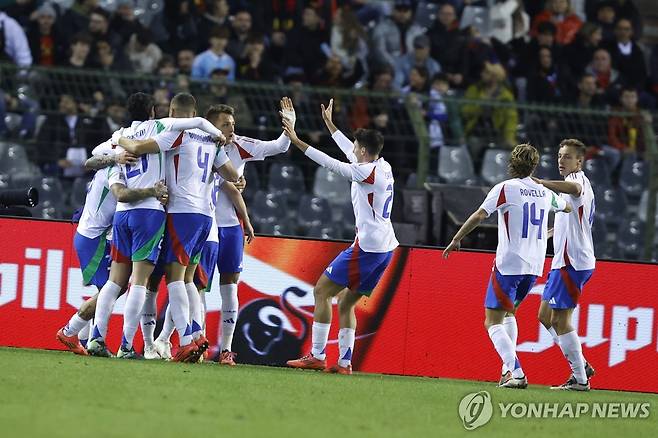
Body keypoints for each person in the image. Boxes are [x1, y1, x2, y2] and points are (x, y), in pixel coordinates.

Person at [85, 92, 236, 359]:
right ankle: (175, 339)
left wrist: (118, 141)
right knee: (173, 279)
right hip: (186, 215)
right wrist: (218, 137)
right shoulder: (172, 130)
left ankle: (98, 337)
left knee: (120, 281)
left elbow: (101, 155)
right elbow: (232, 175)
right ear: (154, 111)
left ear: (172, 111)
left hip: (129, 211)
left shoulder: (132, 134)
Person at [443, 144, 572, 389]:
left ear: (512, 163)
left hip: (509, 264)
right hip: (534, 266)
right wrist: (552, 231)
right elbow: (567, 207)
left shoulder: (505, 188)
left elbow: (481, 215)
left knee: (491, 322)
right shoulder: (545, 193)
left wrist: (456, 238)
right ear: (534, 166)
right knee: (509, 313)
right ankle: (507, 371)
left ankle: (517, 372)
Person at [285, 99, 398, 374]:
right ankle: (345, 363)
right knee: (346, 302)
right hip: (386, 247)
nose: (354, 149)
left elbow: (332, 164)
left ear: (363, 150)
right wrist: (331, 126)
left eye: (357, 147)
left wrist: (297, 141)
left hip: (368, 247)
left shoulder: (365, 172)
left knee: (322, 291)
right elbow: (350, 151)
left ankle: (316, 354)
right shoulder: (382, 166)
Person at [202, 99, 295, 365]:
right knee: (191, 285)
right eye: (225, 125)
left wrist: (289, 123)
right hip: (203, 222)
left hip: (230, 227)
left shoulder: (241, 145)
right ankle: (191, 342)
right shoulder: (197, 144)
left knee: (230, 286)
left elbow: (280, 146)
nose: (231, 129)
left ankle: (226, 350)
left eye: (232, 124)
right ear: (210, 126)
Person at [55, 145, 140, 355]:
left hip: (92, 234)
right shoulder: (115, 170)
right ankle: (70, 331)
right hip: (95, 237)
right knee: (112, 289)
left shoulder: (109, 164)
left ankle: (84, 341)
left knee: (107, 290)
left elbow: (92, 161)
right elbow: (120, 195)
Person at [533, 138, 596, 391]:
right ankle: (581, 364)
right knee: (544, 316)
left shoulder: (578, 181)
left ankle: (580, 379)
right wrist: (547, 234)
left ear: (579, 161)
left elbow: (574, 190)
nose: (562, 160)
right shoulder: (568, 188)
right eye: (560, 155)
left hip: (574, 262)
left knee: (560, 319)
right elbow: (569, 220)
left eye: (568, 156)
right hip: (563, 261)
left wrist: (541, 183)